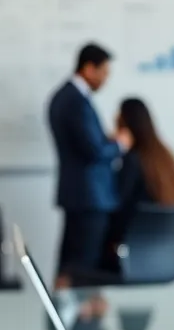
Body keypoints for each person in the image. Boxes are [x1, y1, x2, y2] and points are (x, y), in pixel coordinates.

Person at [46, 43, 128, 285]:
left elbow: (86, 142)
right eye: (103, 73)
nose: (105, 80)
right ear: (89, 68)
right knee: (83, 267)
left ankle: (65, 318)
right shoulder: (75, 100)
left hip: (80, 196)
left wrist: (105, 140)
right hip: (89, 197)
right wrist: (121, 144)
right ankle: (77, 321)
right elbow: (92, 151)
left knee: (71, 264)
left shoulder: (65, 96)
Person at [107, 97, 174, 246]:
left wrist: (112, 148)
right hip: (159, 249)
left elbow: (118, 202)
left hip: (129, 245)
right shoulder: (164, 156)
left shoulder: (132, 160)